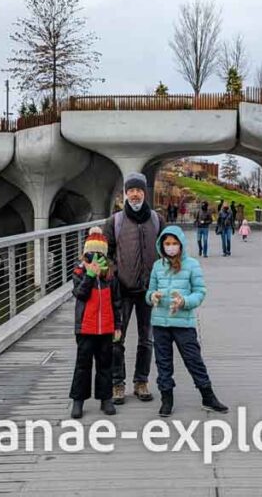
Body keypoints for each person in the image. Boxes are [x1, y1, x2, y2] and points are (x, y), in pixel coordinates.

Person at [147, 225, 228, 417]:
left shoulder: (192, 265)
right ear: (162, 245)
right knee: (163, 363)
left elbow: (200, 292)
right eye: (167, 243)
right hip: (160, 323)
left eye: (174, 243)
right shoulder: (157, 266)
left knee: (193, 359)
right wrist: (152, 297)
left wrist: (184, 302)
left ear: (181, 244)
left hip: (183, 323)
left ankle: (207, 395)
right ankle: (167, 398)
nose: (171, 247)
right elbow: (149, 292)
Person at [103, 172, 164, 404]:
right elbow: (105, 252)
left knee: (146, 339)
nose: (135, 194)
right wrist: (113, 273)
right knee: (117, 338)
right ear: (126, 193)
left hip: (149, 291)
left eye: (139, 190)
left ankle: (141, 382)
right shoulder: (115, 221)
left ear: (144, 192)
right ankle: (118, 383)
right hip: (122, 291)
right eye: (131, 190)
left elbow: (169, 249)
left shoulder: (157, 220)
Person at [69, 227, 123, 418]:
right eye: (91, 253)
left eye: (100, 253)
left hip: (106, 328)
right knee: (82, 365)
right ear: (85, 253)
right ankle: (78, 401)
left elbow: (117, 302)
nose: (95, 257)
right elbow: (80, 294)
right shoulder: (79, 271)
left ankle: (105, 398)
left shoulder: (111, 275)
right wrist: (90, 276)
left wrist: (118, 325)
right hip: (86, 327)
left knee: (105, 364)